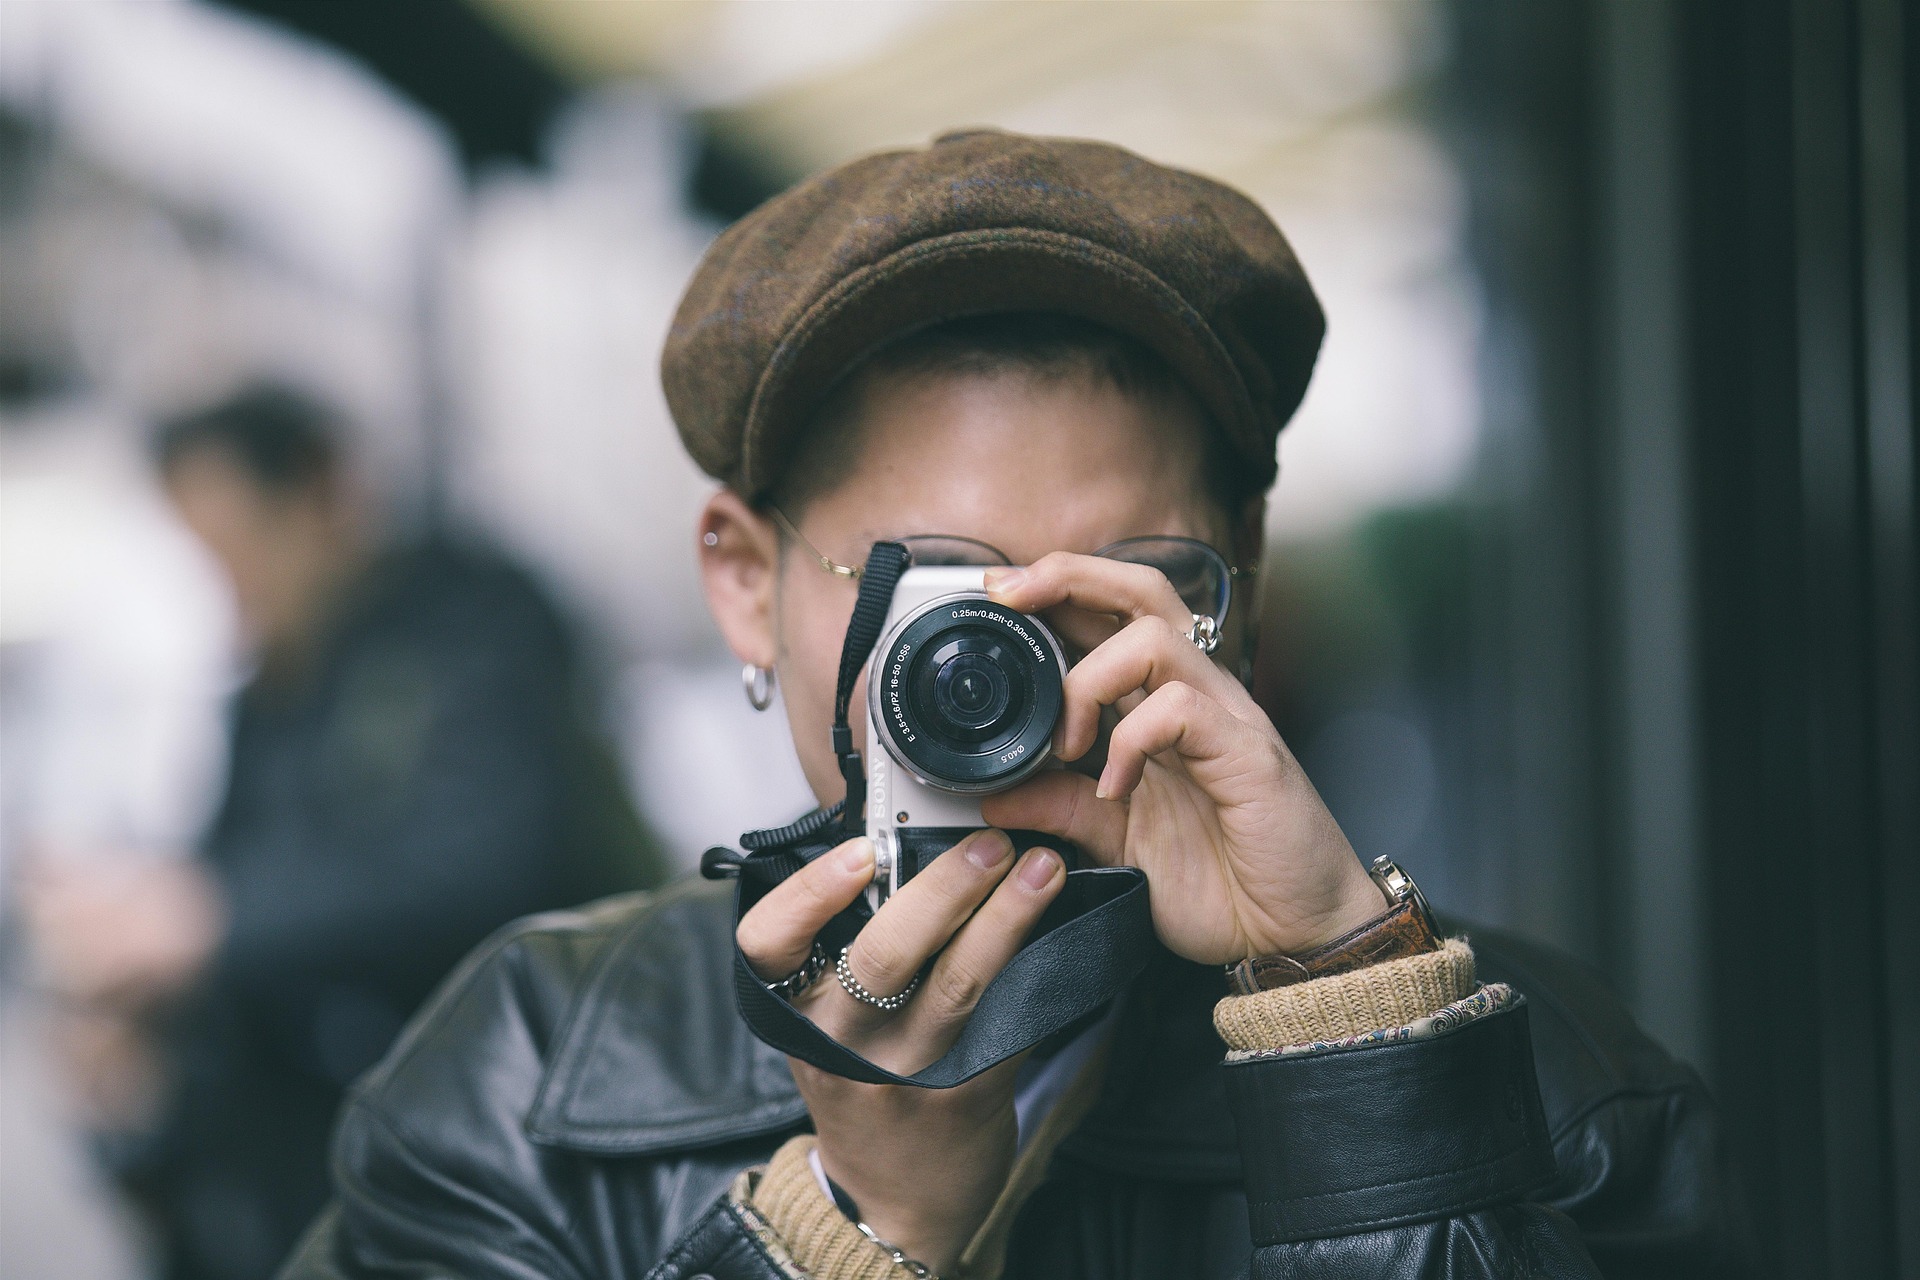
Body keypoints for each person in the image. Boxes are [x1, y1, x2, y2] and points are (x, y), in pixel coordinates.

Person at [281, 131, 1754, 1279]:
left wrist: (1344, 1019)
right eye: (948, 600)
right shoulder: (530, 1073)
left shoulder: (1538, 1071)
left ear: (1236, 580)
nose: (1028, 684)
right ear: (744, 582)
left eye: (1117, 589)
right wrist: (848, 1231)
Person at [21, 384, 663, 1280]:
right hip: (326, 1151)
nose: (230, 584)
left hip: (522, 1130)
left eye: (243, 546)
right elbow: (233, 872)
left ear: (325, 491)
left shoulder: (475, 619)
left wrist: (202, 925)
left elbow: (479, 859)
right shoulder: (275, 683)